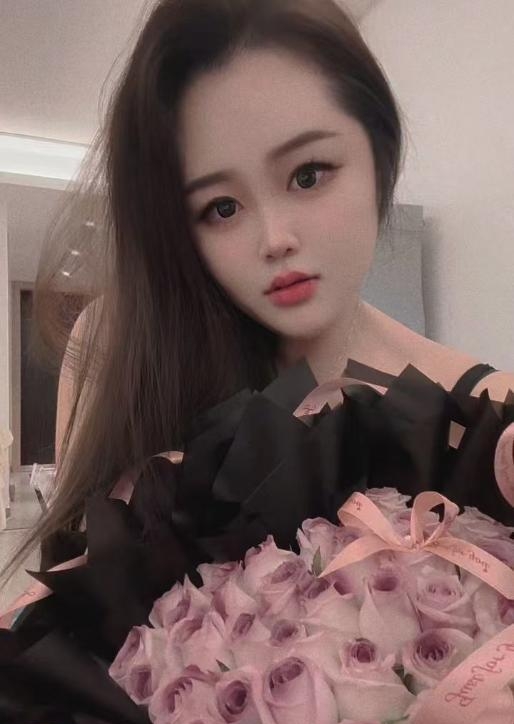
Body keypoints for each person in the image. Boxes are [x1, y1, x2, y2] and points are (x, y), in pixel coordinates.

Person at [1, 0, 513, 589]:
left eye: (308, 174)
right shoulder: (118, 346)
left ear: (379, 151)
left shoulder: (487, 419)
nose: (275, 239)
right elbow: (72, 603)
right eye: (222, 208)